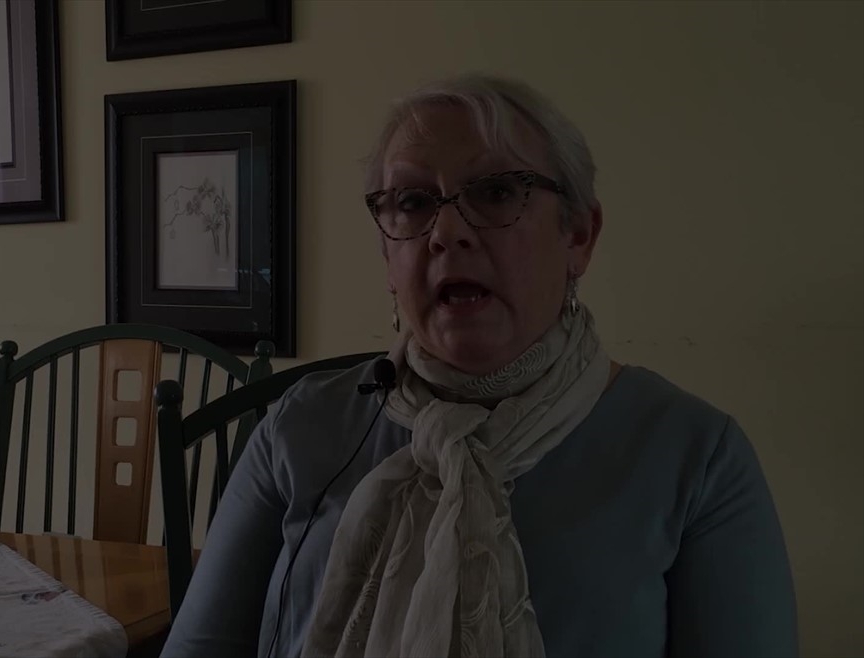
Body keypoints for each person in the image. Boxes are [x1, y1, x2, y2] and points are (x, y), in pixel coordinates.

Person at [160, 73, 798, 658]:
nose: (446, 232)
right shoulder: (299, 428)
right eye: (413, 202)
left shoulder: (695, 457)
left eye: (496, 192)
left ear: (579, 236)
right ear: (387, 256)